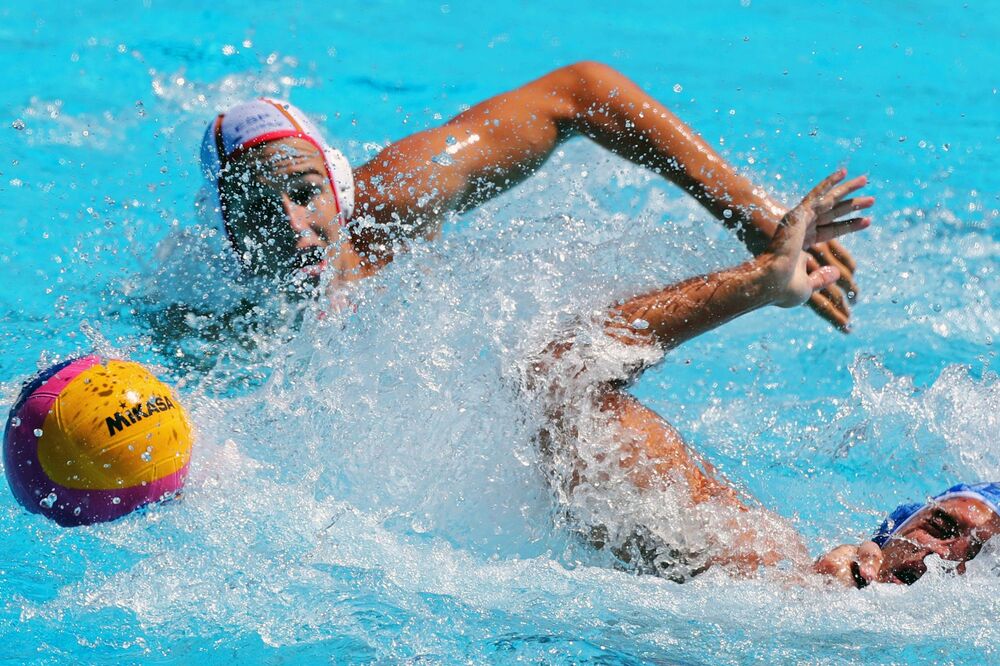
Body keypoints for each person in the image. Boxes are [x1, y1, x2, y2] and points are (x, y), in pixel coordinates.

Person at [526, 168, 999, 586]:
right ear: (890, 529)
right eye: (940, 529)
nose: (940, 556)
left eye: (976, 557)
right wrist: (756, 283)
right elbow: (560, 380)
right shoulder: (756, 568)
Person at [199, 62, 859, 330]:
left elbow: (583, 90)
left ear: (338, 185)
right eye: (256, 209)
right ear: (227, 228)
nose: (290, 224)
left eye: (303, 192)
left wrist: (749, 213)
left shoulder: (404, 194)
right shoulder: (218, 321)